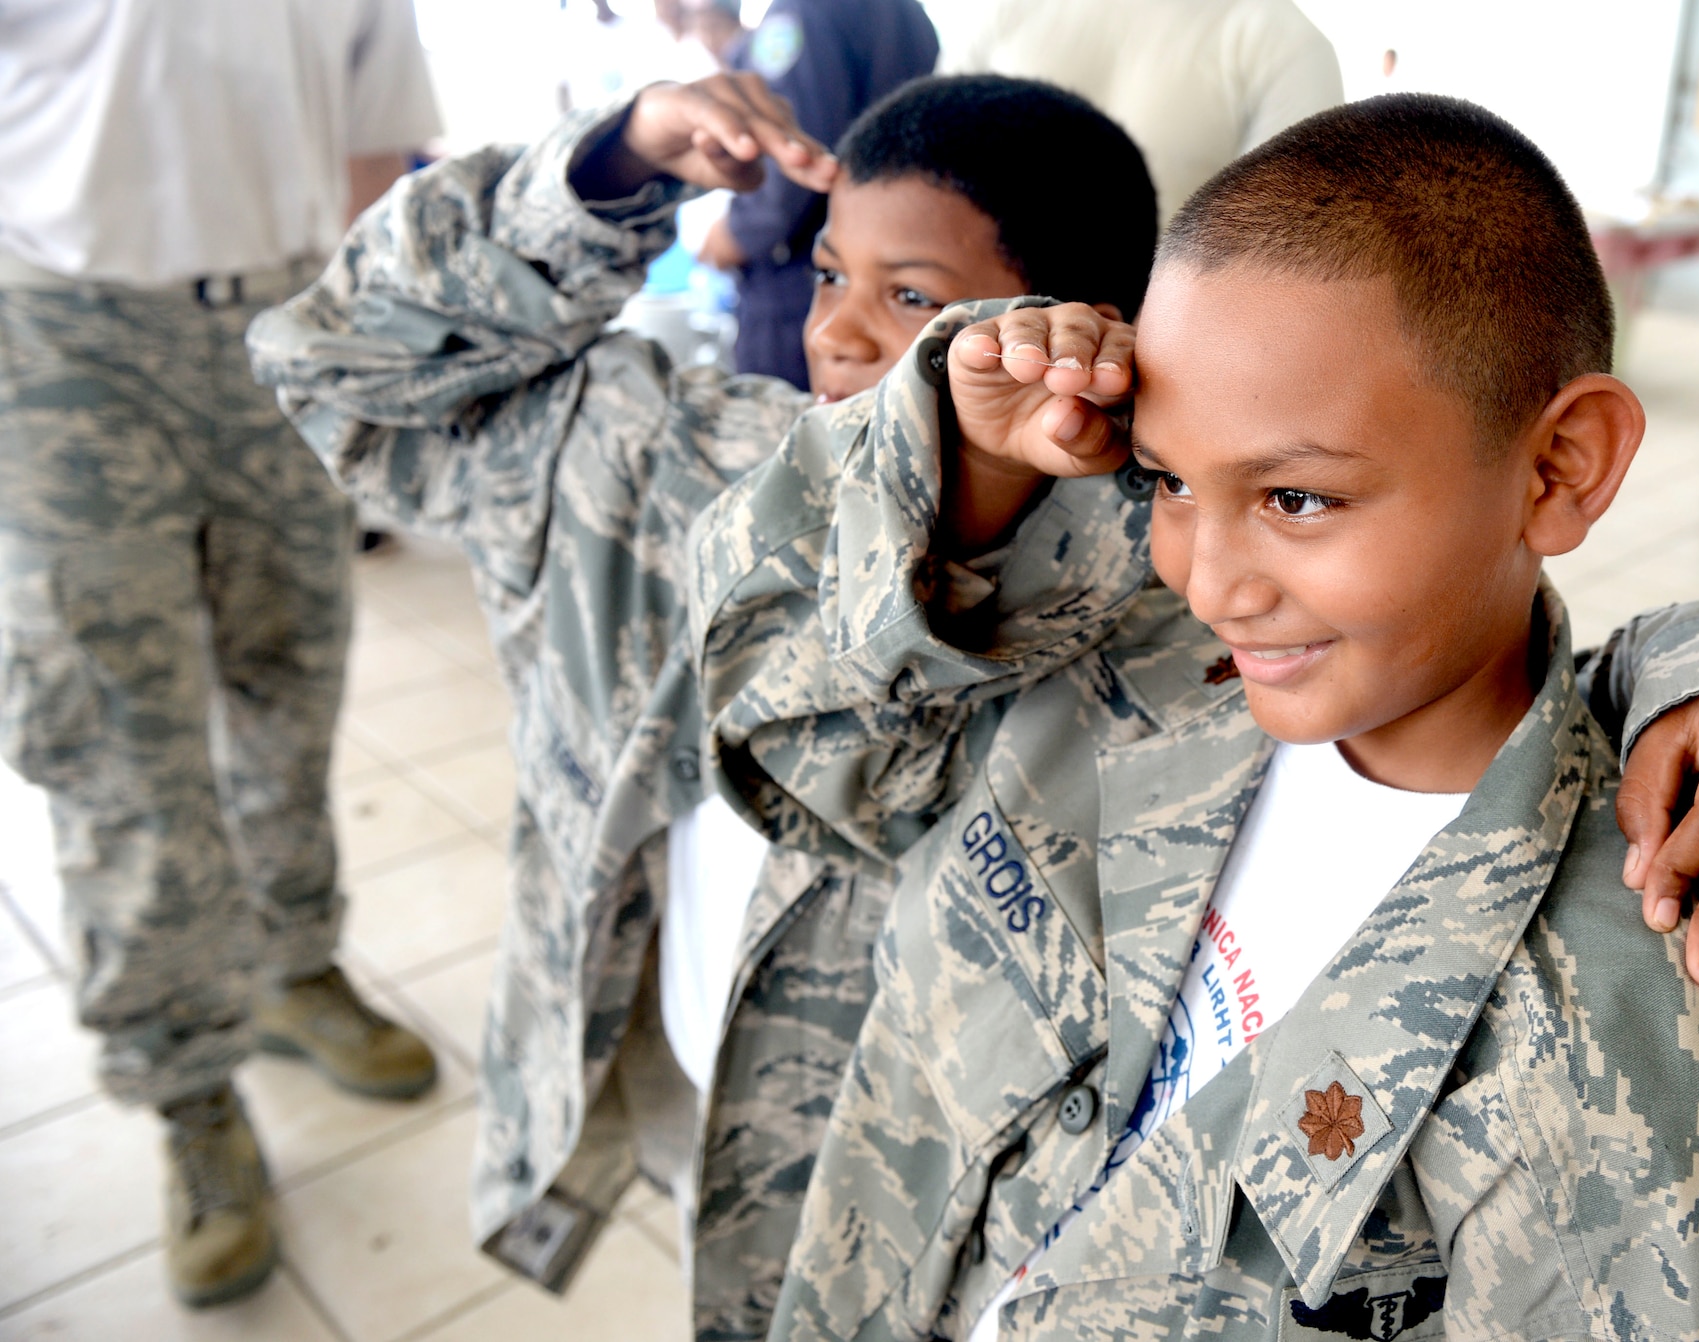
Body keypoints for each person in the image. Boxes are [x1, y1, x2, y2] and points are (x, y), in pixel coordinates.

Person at [690, 95, 1699, 1339]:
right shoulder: (1119, 675)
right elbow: (798, 756)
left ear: (1559, 466)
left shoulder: (1614, 1060)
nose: (1209, 579)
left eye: (1295, 497)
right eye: (1167, 479)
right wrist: (953, 466)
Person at [249, 71, 1156, 1338]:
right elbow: (331, 360)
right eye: (830, 273)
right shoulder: (679, 462)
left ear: (1073, 336)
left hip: (923, 1220)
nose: (837, 332)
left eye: (913, 300)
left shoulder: (1146, 615)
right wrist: (607, 168)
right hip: (686, 1075)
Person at [0, 0, 443, 1310]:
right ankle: (189, 1089)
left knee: (292, 682)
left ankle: (296, 967)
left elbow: (375, 145)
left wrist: (358, 338)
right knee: (116, 728)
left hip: (287, 320)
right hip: (62, 332)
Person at [700, 0, 938, 387]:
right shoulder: (905, 11)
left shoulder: (799, 13)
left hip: (798, 286)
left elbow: (796, 154)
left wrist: (736, 233)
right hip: (881, 280)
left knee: (793, 431)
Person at [940, 0, 1345, 216]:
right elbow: (929, 165)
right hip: (975, 331)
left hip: (1154, 350)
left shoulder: (1284, 42)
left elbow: (1287, 238)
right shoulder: (999, 9)